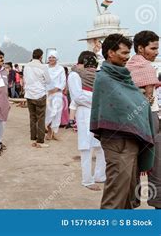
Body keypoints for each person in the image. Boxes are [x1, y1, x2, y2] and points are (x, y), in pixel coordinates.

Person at [90, 34, 155, 209]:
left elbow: (133, 101)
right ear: (110, 53)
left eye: (128, 53)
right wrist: (142, 101)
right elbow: (122, 106)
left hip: (132, 139)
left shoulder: (124, 75)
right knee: (116, 193)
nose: (127, 57)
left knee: (129, 192)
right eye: (124, 53)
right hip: (117, 141)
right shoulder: (104, 78)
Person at [126, 30, 160, 209]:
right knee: (156, 163)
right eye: (153, 48)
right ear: (140, 48)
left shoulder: (128, 66)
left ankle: (133, 202)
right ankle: (157, 204)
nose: (156, 52)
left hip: (131, 121)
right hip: (149, 117)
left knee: (135, 163)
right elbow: (149, 99)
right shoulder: (147, 67)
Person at [68, 51, 106, 191]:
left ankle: (100, 175)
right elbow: (77, 97)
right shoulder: (74, 75)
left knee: (100, 146)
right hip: (84, 114)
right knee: (86, 147)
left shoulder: (91, 76)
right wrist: (98, 100)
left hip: (97, 114)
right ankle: (87, 180)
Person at [24, 49, 51, 148]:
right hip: (40, 94)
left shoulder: (27, 66)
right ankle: (40, 140)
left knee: (32, 117)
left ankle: (33, 137)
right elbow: (48, 81)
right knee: (41, 118)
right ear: (41, 56)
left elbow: (25, 79)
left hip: (29, 94)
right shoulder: (43, 67)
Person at [45, 50, 66, 141]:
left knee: (57, 113)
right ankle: (49, 131)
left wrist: (55, 89)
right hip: (47, 93)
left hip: (57, 93)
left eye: (53, 57)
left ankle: (55, 132)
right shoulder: (45, 68)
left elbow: (63, 81)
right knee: (48, 112)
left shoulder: (60, 69)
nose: (51, 59)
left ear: (56, 58)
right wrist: (48, 90)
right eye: (50, 57)